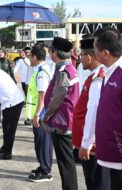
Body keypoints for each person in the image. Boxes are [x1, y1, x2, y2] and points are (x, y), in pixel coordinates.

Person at [93, 27, 122, 190]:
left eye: (95, 48)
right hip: (114, 158)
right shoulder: (110, 71)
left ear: (105, 53)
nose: (94, 52)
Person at [72, 38, 111, 190]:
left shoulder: (98, 78)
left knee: (96, 182)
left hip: (93, 146)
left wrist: (86, 143)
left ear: (88, 57)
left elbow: (94, 112)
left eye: (81, 55)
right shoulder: (95, 76)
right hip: (92, 143)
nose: (79, 58)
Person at [42, 37, 79, 190]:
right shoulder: (68, 68)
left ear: (55, 53)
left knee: (66, 163)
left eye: (50, 50)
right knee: (66, 161)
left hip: (62, 123)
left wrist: (46, 117)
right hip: (65, 121)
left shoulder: (64, 71)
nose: (49, 53)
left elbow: (58, 97)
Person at [26, 45, 53, 182]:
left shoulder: (41, 72)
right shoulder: (42, 69)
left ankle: (46, 171)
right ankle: (44, 166)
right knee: (43, 142)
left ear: (35, 57)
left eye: (30, 56)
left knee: (43, 142)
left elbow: (42, 95)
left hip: (42, 113)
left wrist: (37, 114)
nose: (29, 58)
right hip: (42, 112)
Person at [0, 47, 16, 123]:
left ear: (5, 53)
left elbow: (12, 73)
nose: (0, 53)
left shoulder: (9, 61)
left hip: (6, 83)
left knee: (6, 100)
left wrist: (14, 82)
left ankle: (6, 117)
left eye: (2, 52)